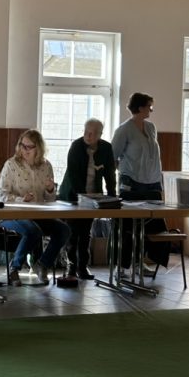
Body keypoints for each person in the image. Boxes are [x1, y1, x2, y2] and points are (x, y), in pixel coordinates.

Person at [0, 129, 71, 286]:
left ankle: (42, 264)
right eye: (22, 145)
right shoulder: (11, 164)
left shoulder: (46, 166)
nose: (24, 150)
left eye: (29, 147)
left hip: (38, 214)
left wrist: (50, 189)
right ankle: (14, 267)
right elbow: (1, 195)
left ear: (38, 148)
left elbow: (49, 200)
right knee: (33, 231)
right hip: (12, 214)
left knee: (64, 230)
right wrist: (21, 200)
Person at [110, 92, 170, 271]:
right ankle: (121, 265)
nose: (151, 110)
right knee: (128, 226)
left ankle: (139, 262)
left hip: (152, 182)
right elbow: (113, 156)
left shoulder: (151, 127)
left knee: (150, 225)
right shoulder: (124, 130)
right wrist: (122, 174)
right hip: (132, 183)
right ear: (140, 107)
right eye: (149, 106)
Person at [58, 118, 116, 279]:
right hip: (72, 196)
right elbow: (74, 175)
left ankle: (83, 267)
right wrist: (82, 198)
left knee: (86, 232)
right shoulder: (76, 146)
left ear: (100, 134)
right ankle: (71, 266)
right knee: (72, 232)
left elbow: (110, 174)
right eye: (86, 132)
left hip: (93, 196)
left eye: (92, 133)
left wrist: (112, 198)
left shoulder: (106, 148)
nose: (88, 136)